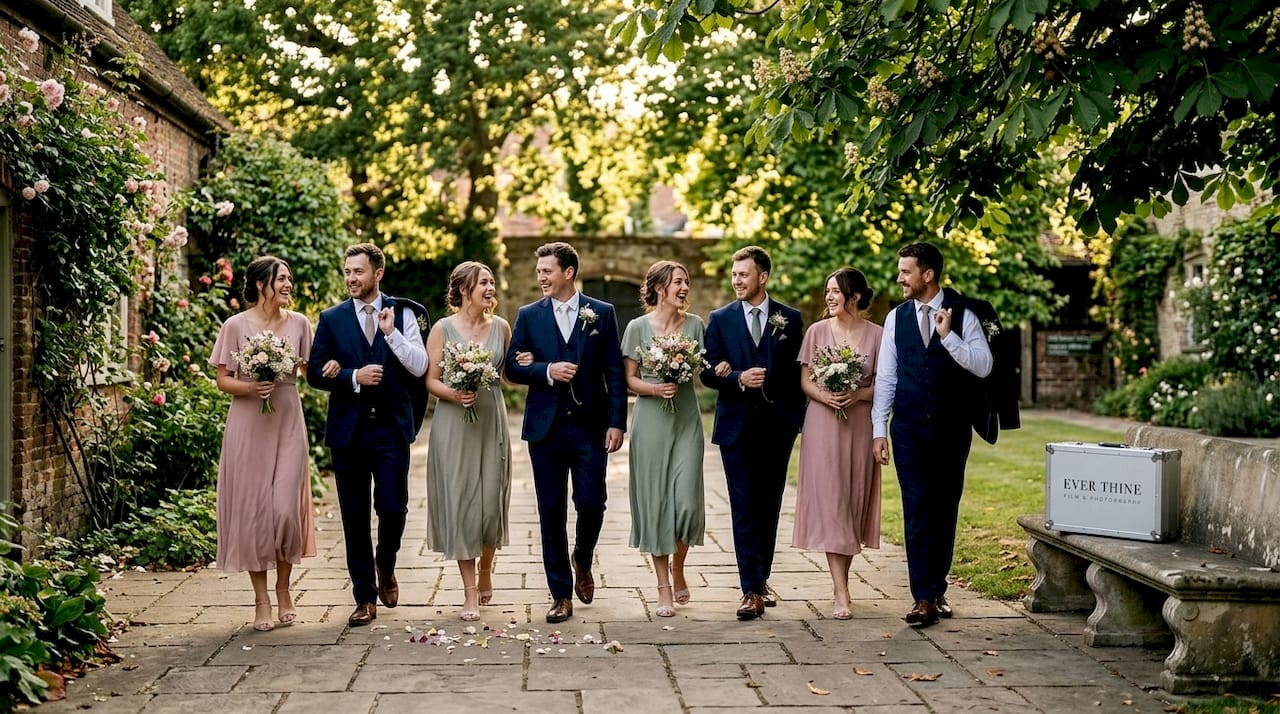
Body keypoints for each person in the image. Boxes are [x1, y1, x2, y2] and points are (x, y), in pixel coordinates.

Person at [871, 242, 993, 627]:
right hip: (907, 427)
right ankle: (921, 596)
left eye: (905, 271)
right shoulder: (895, 318)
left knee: (944, 508)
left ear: (928, 274)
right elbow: (887, 375)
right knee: (916, 508)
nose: (899, 278)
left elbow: (984, 366)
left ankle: (937, 589)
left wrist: (948, 337)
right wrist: (879, 429)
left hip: (951, 428)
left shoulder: (964, 314)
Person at [505, 241, 627, 624]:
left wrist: (617, 421)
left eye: (547, 271)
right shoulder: (528, 315)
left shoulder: (601, 314)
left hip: (590, 426)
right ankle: (560, 593)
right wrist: (544, 369)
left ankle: (583, 557)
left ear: (568, 272)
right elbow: (512, 367)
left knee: (592, 503)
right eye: (539, 271)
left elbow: (614, 373)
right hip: (546, 429)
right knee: (550, 511)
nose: (540, 277)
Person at [307, 243, 428, 626]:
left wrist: (391, 335)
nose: (351, 279)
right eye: (347, 272)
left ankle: (386, 563)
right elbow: (313, 373)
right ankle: (364, 598)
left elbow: (421, 365)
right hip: (349, 433)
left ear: (378, 273)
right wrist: (351, 377)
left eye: (358, 272)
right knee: (354, 517)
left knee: (393, 508)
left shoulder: (405, 313)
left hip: (392, 429)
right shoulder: (331, 318)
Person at [209, 256, 317, 632]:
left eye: (290, 277)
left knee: (285, 510)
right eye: (282, 278)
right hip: (248, 424)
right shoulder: (235, 326)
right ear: (261, 284)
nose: (288, 284)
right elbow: (223, 379)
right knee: (254, 514)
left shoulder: (301, 324)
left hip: (288, 418)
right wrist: (252, 387)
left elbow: (311, 370)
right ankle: (262, 599)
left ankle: (284, 587)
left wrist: (334, 369)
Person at [700, 245, 805, 620]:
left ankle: (761, 580)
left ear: (762, 277)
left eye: (743, 275)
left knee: (769, 507)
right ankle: (750, 590)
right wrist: (736, 378)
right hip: (736, 429)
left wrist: (797, 425)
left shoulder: (789, 320)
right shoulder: (721, 318)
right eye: (733, 275)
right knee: (744, 507)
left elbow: (797, 378)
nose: (736, 281)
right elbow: (706, 370)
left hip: (777, 429)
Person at [792, 267, 883, 620]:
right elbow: (805, 380)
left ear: (854, 296)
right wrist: (825, 397)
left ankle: (842, 583)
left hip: (859, 425)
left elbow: (885, 383)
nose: (828, 297)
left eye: (834, 291)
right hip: (823, 425)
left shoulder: (877, 335)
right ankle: (840, 590)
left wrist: (858, 394)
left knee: (851, 500)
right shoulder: (816, 332)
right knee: (832, 502)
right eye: (826, 291)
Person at [423, 261, 512, 622]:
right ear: (463, 290)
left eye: (492, 282)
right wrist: (455, 394)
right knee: (462, 503)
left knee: (491, 503)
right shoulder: (443, 329)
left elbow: (509, 375)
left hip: (491, 417)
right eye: (483, 283)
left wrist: (530, 364)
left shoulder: (502, 328)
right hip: (454, 421)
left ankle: (486, 567)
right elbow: (430, 380)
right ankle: (469, 591)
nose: (490, 288)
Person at [620, 260, 706, 618]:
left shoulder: (697, 326)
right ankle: (662, 587)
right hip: (651, 422)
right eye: (677, 282)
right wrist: (655, 389)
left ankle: (680, 565)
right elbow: (630, 380)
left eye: (686, 281)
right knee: (656, 503)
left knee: (686, 503)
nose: (684, 287)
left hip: (687, 418)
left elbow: (705, 368)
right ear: (659, 288)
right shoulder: (637, 328)